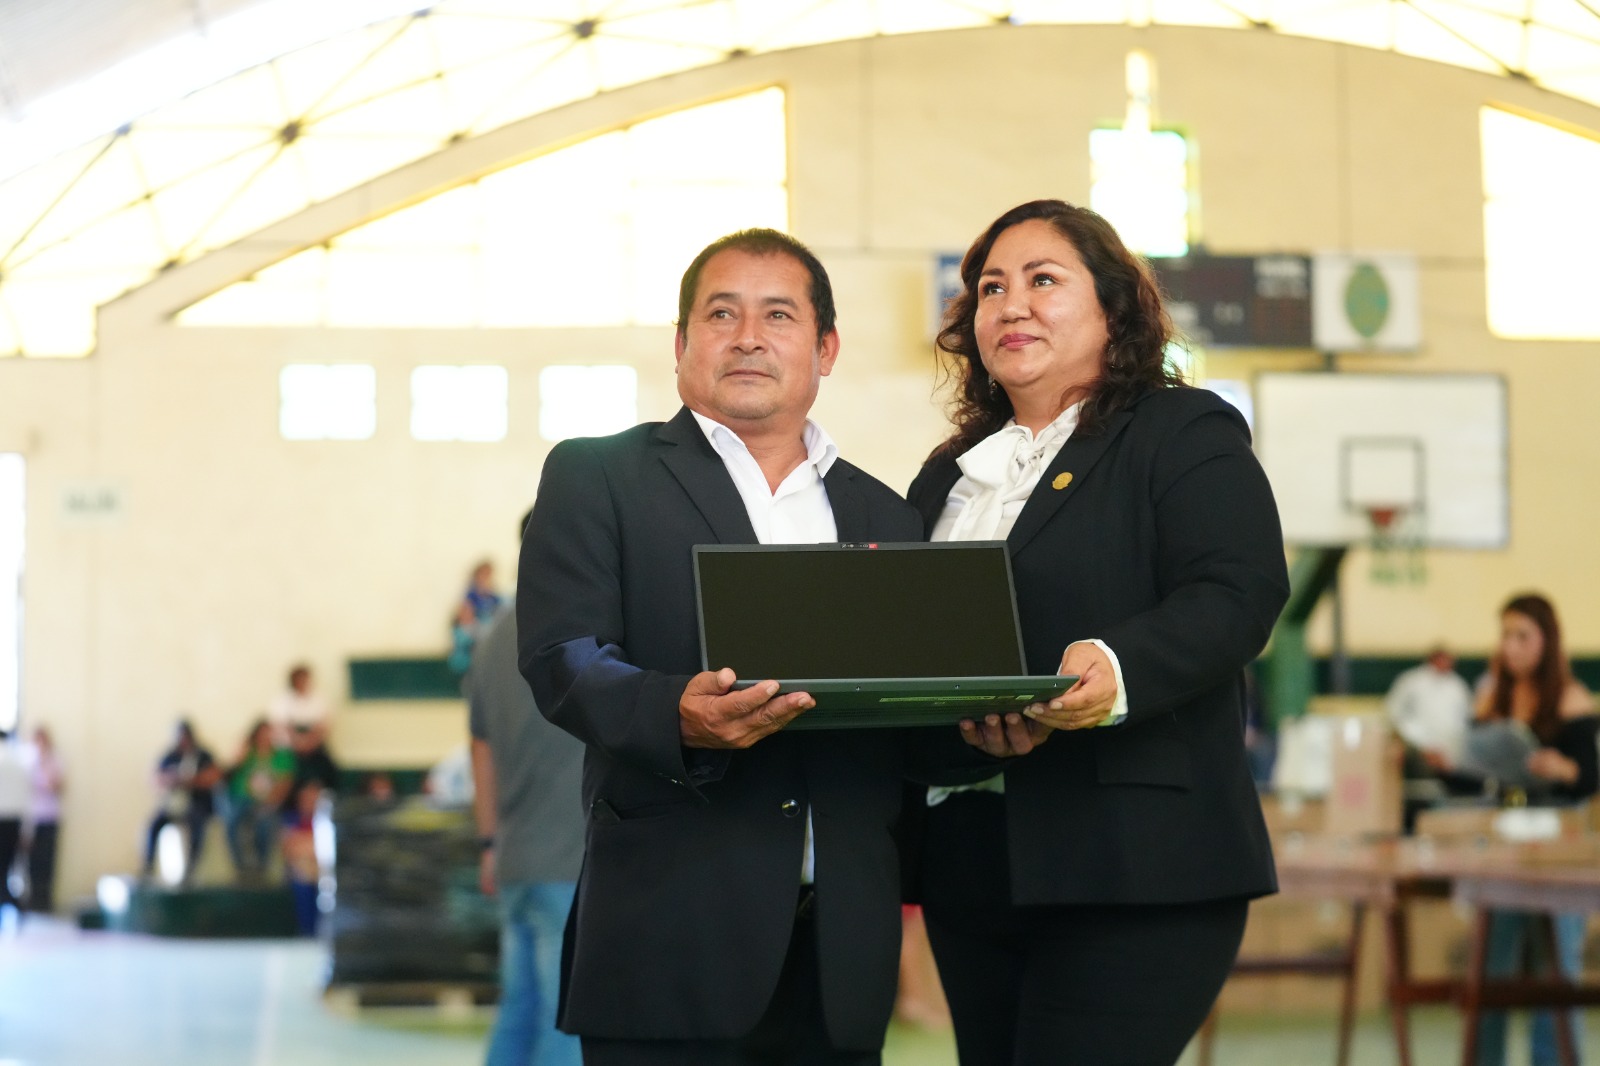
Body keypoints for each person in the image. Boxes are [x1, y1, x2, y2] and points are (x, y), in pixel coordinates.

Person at [518, 228, 1001, 1066]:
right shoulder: (599, 477)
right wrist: (674, 712)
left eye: (778, 315)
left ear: (826, 349)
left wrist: (984, 729)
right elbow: (564, 658)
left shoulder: (885, 516)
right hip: (669, 936)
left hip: (840, 954)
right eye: (721, 314)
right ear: (681, 345)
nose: (748, 336)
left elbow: (901, 722)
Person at [905, 199, 1290, 1066]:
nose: (1011, 304)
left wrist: (1117, 667)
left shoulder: (1180, 431)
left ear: (1114, 309)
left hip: (1135, 862)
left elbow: (1238, 590)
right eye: (992, 288)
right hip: (972, 862)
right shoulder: (946, 478)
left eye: (1043, 280)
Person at [468, 543, 585, 1066]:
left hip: (514, 858)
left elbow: (480, 749)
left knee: (519, 1011)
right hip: (567, 862)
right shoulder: (577, 629)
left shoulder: (493, 636)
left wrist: (489, 843)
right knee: (565, 1022)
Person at [1468, 593, 1597, 1066]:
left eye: (1523, 636)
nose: (1512, 646)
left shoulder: (1572, 698)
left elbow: (1590, 776)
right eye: (1506, 635)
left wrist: (1559, 767)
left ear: (1547, 640)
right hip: (1502, 841)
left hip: (1558, 843)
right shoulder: (1492, 699)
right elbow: (1468, 772)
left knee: (1555, 972)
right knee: (1491, 969)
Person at [142, 719, 222, 885]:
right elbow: (155, 779)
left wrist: (190, 781)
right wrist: (172, 779)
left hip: (199, 804)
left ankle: (191, 869)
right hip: (174, 805)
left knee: (197, 823)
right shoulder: (170, 756)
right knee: (154, 825)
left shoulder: (202, 755)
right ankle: (147, 867)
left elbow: (214, 777)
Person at [222, 718, 294, 881]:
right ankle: (240, 868)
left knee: (265, 824)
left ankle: (262, 868)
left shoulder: (283, 756)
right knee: (231, 821)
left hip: (269, 803)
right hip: (243, 801)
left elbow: (284, 785)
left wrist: (270, 801)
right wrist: (241, 754)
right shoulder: (248, 754)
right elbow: (229, 777)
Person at [1386, 646, 1473, 771]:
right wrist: (1422, 745)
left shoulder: (1457, 685)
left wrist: (1449, 751)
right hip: (1416, 750)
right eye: (1442, 660)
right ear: (1432, 660)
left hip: (1451, 754)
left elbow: (1464, 719)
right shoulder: (1412, 681)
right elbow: (1395, 713)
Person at [23, 724, 64, 912]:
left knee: (47, 861)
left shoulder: (55, 760)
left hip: (50, 818)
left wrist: (45, 763)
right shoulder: (28, 761)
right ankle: (33, 900)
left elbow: (55, 786)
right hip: (32, 819)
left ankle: (45, 900)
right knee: (32, 862)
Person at [451, 561, 504, 674]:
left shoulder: (494, 597)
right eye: (484, 575)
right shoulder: (471, 596)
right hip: (474, 636)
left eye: (489, 576)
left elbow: (501, 611)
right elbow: (465, 616)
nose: (487, 580)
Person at [267, 663, 330, 747]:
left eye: (305, 679)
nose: (303, 682)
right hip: (288, 744)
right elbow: (280, 724)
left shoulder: (318, 699)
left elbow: (323, 724)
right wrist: (297, 740)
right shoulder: (282, 700)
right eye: (300, 679)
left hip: (313, 744)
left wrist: (310, 741)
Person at [0, 728, 26, 912]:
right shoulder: (19, 761)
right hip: (14, 821)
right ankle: (9, 900)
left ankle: (7, 899)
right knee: (7, 866)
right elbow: (27, 797)